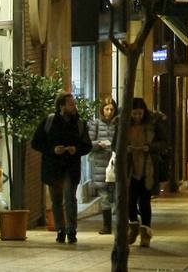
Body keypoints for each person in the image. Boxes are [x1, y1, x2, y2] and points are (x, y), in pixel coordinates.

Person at [30, 93, 92, 245]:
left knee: (70, 198)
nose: (74, 107)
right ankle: (60, 229)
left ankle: (71, 230)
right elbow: (36, 142)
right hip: (53, 167)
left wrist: (75, 149)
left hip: (71, 167)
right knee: (56, 200)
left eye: (74, 104)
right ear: (61, 106)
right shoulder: (50, 121)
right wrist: (53, 149)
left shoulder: (79, 123)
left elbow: (87, 145)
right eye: (71, 104)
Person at [124, 97, 168, 248]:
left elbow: (164, 142)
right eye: (134, 114)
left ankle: (145, 234)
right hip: (129, 168)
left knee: (144, 202)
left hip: (147, 168)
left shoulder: (153, 124)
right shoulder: (123, 124)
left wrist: (150, 147)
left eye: (139, 113)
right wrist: (125, 149)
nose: (137, 117)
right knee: (129, 202)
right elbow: (116, 144)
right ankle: (134, 226)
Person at [88, 97, 118, 234]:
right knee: (104, 196)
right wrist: (98, 144)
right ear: (102, 110)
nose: (109, 112)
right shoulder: (96, 124)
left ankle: (119, 223)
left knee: (116, 194)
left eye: (112, 109)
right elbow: (89, 143)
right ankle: (107, 226)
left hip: (115, 162)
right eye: (107, 109)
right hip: (100, 163)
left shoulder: (118, 125)